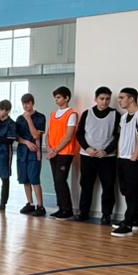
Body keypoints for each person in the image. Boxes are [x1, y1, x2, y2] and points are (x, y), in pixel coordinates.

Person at [75, 87, 119, 224]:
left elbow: (118, 136)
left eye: (107, 99)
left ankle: (106, 215)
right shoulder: (87, 113)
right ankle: (83, 213)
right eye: (102, 98)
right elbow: (79, 134)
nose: (104, 102)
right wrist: (87, 148)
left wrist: (106, 151)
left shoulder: (115, 114)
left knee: (108, 187)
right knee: (86, 185)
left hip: (107, 158)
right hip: (87, 156)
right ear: (95, 99)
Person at [111, 88, 138, 238]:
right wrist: (120, 156)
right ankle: (134, 220)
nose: (119, 100)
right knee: (127, 191)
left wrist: (134, 157)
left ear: (131, 99)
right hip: (123, 158)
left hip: (136, 160)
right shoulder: (124, 117)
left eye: (122, 97)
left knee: (134, 192)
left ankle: (128, 224)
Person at [44, 86, 79, 219]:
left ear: (66, 98)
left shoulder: (72, 114)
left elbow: (68, 136)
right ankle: (61, 208)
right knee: (56, 181)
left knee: (60, 180)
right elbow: (48, 134)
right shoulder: (53, 114)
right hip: (54, 152)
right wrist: (49, 148)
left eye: (58, 97)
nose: (56, 100)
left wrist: (56, 150)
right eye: (55, 98)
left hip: (65, 153)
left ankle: (67, 210)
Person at [16, 93, 47, 216]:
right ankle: (30, 203)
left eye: (28, 103)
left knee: (34, 180)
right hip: (22, 153)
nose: (25, 106)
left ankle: (40, 206)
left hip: (34, 154)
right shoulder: (19, 118)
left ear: (32, 103)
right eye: (23, 104)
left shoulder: (40, 117)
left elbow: (36, 135)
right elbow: (17, 137)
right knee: (25, 180)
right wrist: (26, 142)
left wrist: (29, 119)